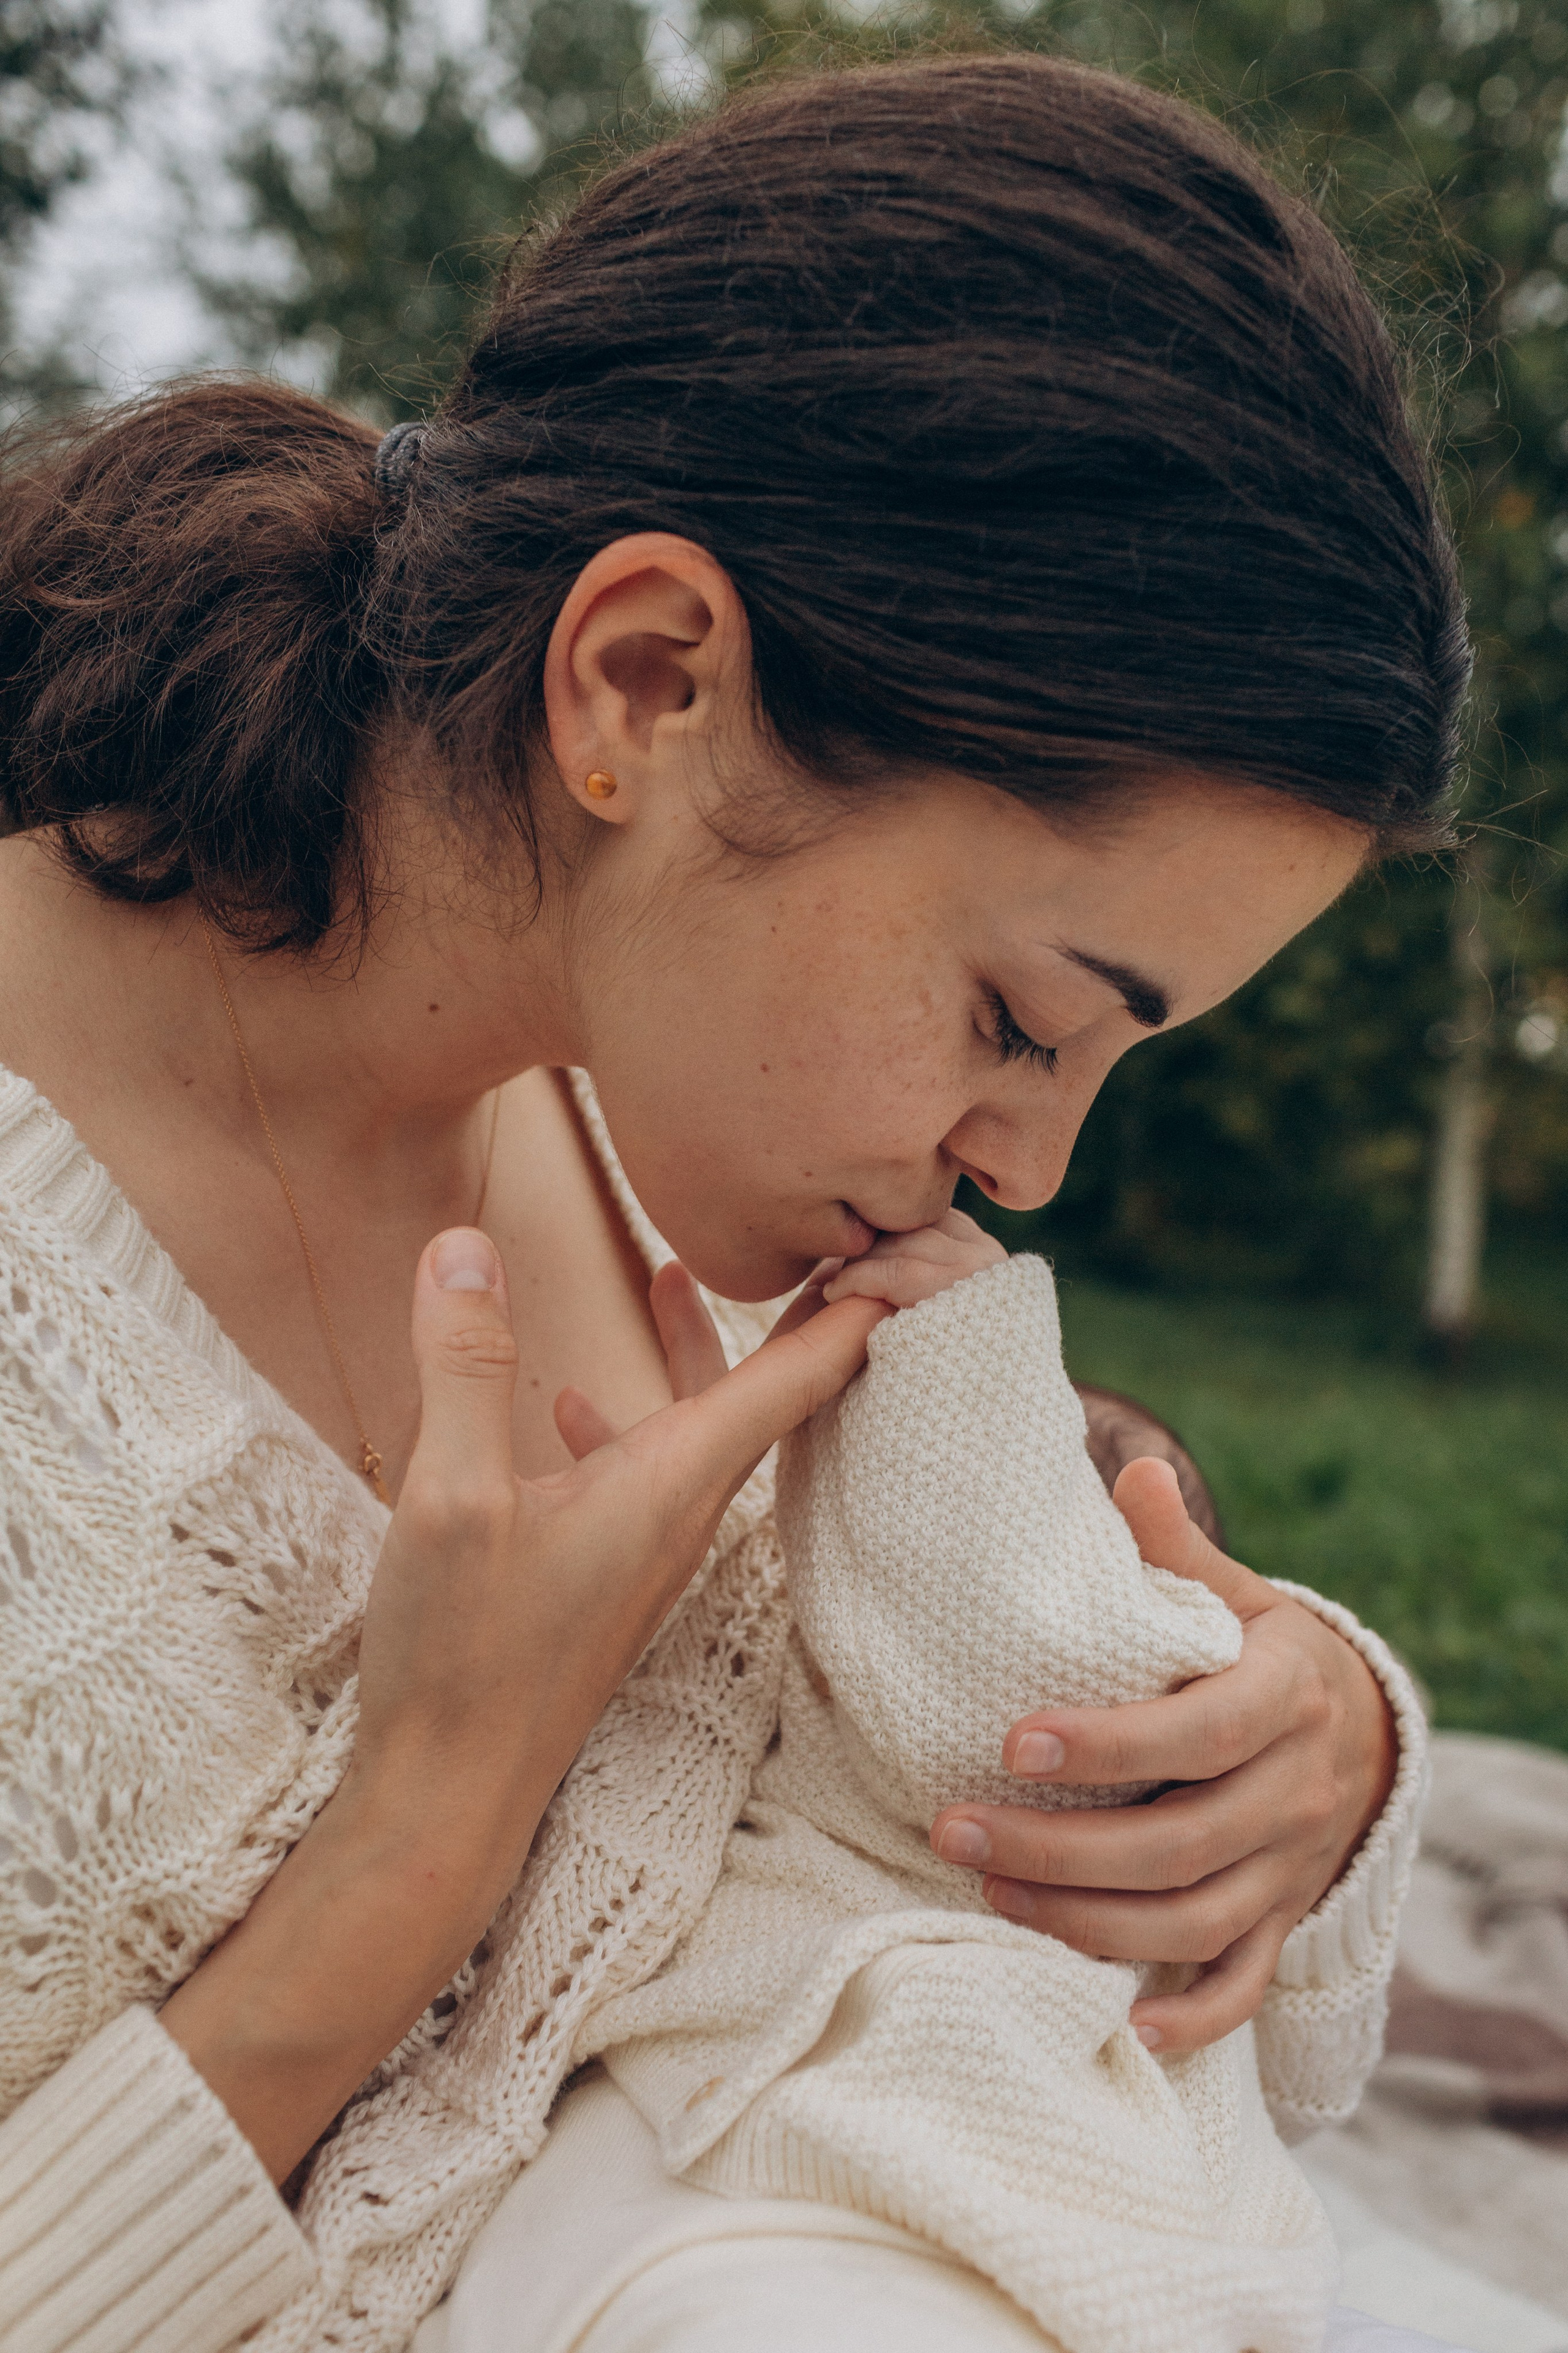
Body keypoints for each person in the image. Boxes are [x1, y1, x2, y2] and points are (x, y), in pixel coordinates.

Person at [0, 48, 1464, 2353]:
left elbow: (951, 1700)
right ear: (648, 680)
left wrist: (1311, 1746)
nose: (1034, 1168)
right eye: (1017, 1013)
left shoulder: (670, 1137)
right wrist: (411, 1845)